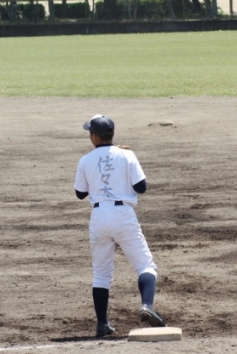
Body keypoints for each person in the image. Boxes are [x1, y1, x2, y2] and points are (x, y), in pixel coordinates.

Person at [74, 114, 168, 338]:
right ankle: (147, 305)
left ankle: (102, 324)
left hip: (98, 217)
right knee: (145, 265)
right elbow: (141, 187)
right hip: (123, 215)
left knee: (101, 274)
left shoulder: (85, 160)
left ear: (94, 136)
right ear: (112, 134)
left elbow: (80, 193)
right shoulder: (127, 155)